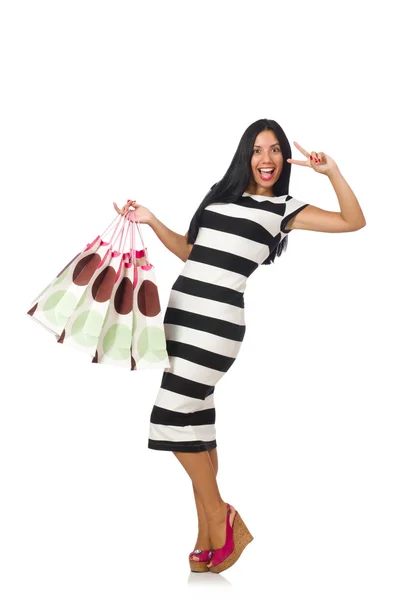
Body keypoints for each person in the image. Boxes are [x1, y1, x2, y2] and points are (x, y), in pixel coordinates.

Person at [113, 118, 366, 575]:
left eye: (274, 150)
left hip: (216, 325)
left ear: (284, 159)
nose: (265, 159)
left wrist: (332, 173)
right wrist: (150, 220)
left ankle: (221, 516)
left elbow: (353, 221)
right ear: (244, 155)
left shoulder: (284, 208)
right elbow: (191, 252)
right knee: (195, 422)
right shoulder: (218, 196)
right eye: (256, 150)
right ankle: (205, 535)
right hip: (181, 318)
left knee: (168, 417)